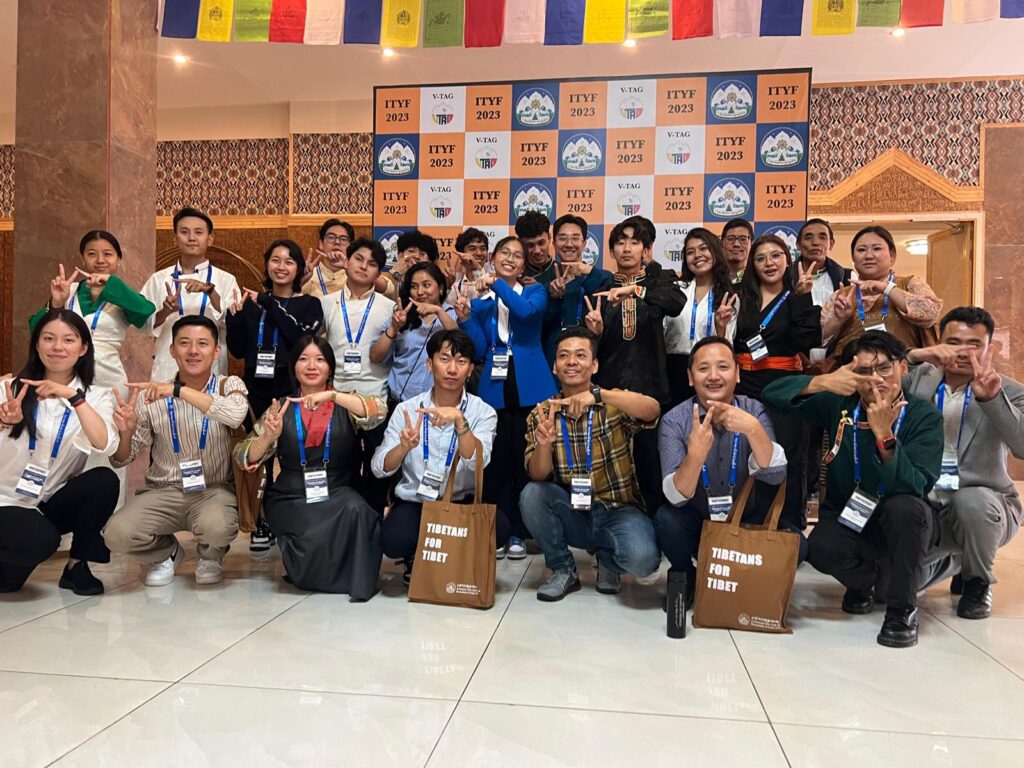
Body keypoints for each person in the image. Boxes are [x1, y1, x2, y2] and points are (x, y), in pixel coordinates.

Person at [761, 331, 943, 648]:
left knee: (906, 509)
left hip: (900, 523)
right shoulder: (840, 404)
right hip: (850, 513)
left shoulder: (923, 416)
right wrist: (822, 382)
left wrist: (886, 437)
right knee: (819, 547)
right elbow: (772, 395)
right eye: (863, 371)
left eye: (884, 368)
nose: (875, 379)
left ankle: (902, 613)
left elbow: (915, 485)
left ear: (903, 367)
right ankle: (865, 583)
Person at [234, 336, 388, 599]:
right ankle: (310, 573)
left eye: (320, 359)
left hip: (338, 490)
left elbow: (379, 410)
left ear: (330, 367)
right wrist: (268, 437)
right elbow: (242, 456)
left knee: (359, 511)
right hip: (292, 494)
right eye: (303, 359)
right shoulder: (280, 407)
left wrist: (333, 395)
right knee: (309, 531)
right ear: (294, 366)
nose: (311, 366)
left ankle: (354, 581)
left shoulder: (344, 402)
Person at [103, 315, 249, 587]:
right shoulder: (150, 397)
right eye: (184, 343)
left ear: (216, 351)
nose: (193, 351)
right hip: (164, 491)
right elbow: (121, 458)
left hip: (213, 489)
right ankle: (165, 553)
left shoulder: (229, 385)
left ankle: (211, 555)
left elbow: (235, 415)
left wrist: (177, 391)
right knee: (116, 534)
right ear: (172, 350)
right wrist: (126, 432)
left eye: (203, 344)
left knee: (217, 527)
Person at [521, 327, 662, 601]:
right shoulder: (541, 413)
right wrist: (544, 443)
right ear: (554, 366)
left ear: (594, 364)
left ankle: (609, 561)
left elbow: (653, 410)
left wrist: (600, 395)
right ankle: (563, 569)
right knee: (532, 495)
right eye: (563, 356)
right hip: (575, 510)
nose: (571, 362)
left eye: (580, 355)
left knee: (644, 561)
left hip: (619, 510)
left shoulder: (613, 402)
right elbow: (537, 475)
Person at [655, 336, 792, 608]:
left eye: (723, 367)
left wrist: (753, 430)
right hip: (696, 521)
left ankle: (739, 576)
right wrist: (694, 456)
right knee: (667, 519)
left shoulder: (753, 410)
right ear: (690, 377)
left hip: (742, 523)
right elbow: (675, 496)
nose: (714, 376)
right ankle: (687, 574)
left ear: (737, 373)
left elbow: (775, 475)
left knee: (798, 545)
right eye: (704, 368)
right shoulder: (675, 420)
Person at [907, 307, 1024, 619]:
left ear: (989, 348)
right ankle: (956, 560)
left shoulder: (1010, 390)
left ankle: (977, 581)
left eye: (974, 344)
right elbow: (877, 370)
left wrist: (992, 400)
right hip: (929, 505)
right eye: (953, 342)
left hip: (986, 505)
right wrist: (918, 353)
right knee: (888, 588)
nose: (963, 352)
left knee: (971, 502)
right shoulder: (920, 380)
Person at [0, 310, 119, 596]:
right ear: (37, 344)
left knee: (104, 481)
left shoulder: (95, 397)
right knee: (28, 554)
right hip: (4, 502)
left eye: (68, 340)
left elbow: (105, 444)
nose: (57, 347)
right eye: (49, 338)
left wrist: (74, 398)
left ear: (84, 348)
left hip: (44, 505)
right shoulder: (8, 389)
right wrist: (4, 421)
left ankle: (76, 566)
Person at [371, 329, 501, 586]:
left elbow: (478, 461)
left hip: (459, 504)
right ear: (429, 364)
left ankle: (449, 557)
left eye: (461, 361)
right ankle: (419, 556)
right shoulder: (407, 410)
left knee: (499, 530)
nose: (452, 368)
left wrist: (461, 423)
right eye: (444, 359)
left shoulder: (483, 412)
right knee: (394, 538)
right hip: (417, 502)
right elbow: (378, 467)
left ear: (470, 368)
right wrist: (403, 448)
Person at [456, 235, 556, 559]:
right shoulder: (484, 303)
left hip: (532, 386)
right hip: (495, 388)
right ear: (493, 257)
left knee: (524, 461)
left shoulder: (535, 292)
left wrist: (495, 284)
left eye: (517, 255)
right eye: (504, 253)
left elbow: (527, 315)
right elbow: (481, 348)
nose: (510, 258)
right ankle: (500, 529)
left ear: (524, 265)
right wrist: (466, 317)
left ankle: (523, 532)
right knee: (497, 462)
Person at [585, 216, 686, 512]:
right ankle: (610, 522)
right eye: (620, 242)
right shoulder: (601, 287)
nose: (626, 248)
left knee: (650, 462)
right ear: (612, 250)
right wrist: (596, 333)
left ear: (645, 250)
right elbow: (588, 347)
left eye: (634, 242)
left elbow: (675, 303)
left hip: (649, 386)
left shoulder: (659, 282)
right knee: (608, 460)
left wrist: (635, 291)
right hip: (608, 386)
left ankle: (655, 521)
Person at [733, 234, 822, 529]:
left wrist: (803, 297)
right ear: (752, 265)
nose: (768, 263)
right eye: (760, 258)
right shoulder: (743, 297)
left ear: (788, 259)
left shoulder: (797, 295)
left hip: (785, 386)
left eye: (775, 256)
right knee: (750, 455)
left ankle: (788, 527)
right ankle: (752, 522)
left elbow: (807, 341)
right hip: (745, 384)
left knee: (789, 457)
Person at [319, 237, 396, 512]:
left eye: (372, 264)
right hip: (338, 397)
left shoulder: (389, 308)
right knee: (343, 464)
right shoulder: (326, 303)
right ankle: (346, 520)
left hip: (376, 398)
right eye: (358, 259)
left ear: (379, 273)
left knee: (377, 466)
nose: (364, 267)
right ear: (347, 262)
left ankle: (373, 519)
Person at [30, 231, 156, 393]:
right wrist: (56, 303)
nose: (100, 260)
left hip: (107, 375)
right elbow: (36, 330)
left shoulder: (123, 295)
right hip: (67, 372)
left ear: (119, 259)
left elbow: (146, 313)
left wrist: (112, 284)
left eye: (108, 254)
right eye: (91, 254)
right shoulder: (69, 290)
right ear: (83, 258)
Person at [225, 239, 324, 419]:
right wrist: (234, 318)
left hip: (290, 384)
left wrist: (269, 303)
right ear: (267, 264)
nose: (281, 267)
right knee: (255, 441)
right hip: (253, 385)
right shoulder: (251, 305)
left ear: (298, 268)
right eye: (275, 260)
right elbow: (237, 351)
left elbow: (299, 339)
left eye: (289, 262)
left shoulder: (309, 304)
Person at [142, 207, 241, 383]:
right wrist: (165, 311)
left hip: (210, 364)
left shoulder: (226, 280)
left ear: (209, 239)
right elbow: (144, 325)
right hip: (168, 362)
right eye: (184, 232)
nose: (192, 238)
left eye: (198, 232)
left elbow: (235, 325)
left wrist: (211, 293)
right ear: (175, 239)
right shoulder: (158, 279)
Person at [821, 225, 942, 356]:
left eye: (877, 249)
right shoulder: (842, 295)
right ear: (853, 259)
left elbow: (931, 314)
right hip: (850, 371)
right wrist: (838, 319)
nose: (868, 255)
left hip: (903, 370)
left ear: (892, 255)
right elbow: (819, 340)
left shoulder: (909, 283)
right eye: (861, 250)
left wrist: (887, 288)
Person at [663, 228, 736, 409]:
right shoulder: (675, 290)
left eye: (703, 249)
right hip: (672, 368)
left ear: (715, 252)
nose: (697, 255)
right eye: (690, 252)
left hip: (708, 369)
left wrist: (720, 326)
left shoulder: (727, 296)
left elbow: (728, 345)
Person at [371, 261, 459, 409]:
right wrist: (394, 328)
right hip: (401, 402)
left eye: (426, 285)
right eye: (414, 286)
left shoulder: (453, 314)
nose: (420, 292)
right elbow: (375, 356)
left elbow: (459, 342)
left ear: (441, 287)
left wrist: (438, 311)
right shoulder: (401, 315)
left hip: (441, 405)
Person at [542, 214, 613, 364]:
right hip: (553, 357)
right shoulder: (546, 285)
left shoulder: (602, 279)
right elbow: (540, 327)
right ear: (554, 243)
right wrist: (554, 298)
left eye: (575, 238)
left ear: (584, 243)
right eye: (562, 238)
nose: (569, 244)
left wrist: (588, 270)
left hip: (590, 357)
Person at [301, 218, 354, 298]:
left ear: (350, 246)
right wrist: (300, 280)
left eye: (343, 239)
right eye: (331, 237)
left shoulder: (355, 276)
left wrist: (349, 267)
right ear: (321, 244)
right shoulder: (309, 276)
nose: (337, 242)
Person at [382, 229, 440, 296]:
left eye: (422, 254)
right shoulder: (383, 279)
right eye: (411, 251)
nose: (417, 256)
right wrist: (394, 274)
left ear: (430, 262)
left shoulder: (435, 285)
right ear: (400, 256)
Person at [515, 211, 556, 286]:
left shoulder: (564, 271)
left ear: (549, 238)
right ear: (521, 244)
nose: (537, 251)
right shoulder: (515, 275)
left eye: (541, 243)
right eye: (530, 245)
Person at [721, 218, 753, 284]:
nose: (736, 244)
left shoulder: (759, 277)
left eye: (743, 239)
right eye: (730, 239)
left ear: (751, 244)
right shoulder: (711, 279)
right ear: (722, 243)